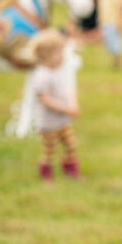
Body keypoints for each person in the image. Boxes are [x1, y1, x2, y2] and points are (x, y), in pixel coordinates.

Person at [31, 29, 82, 181]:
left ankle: (70, 169)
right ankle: (46, 174)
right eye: (59, 53)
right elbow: (46, 100)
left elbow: (68, 90)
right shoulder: (41, 76)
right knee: (49, 149)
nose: (62, 56)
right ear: (46, 55)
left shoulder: (59, 71)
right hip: (49, 124)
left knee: (71, 145)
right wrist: (67, 108)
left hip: (63, 121)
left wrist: (73, 104)